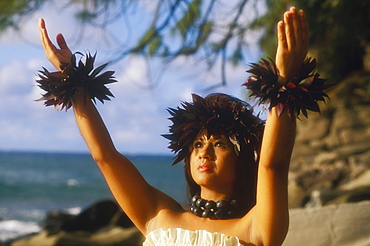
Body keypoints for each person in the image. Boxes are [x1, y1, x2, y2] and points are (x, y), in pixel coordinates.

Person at [39, 6, 310, 246]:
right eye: (197, 144)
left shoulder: (256, 228)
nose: (204, 153)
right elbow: (105, 156)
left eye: (219, 144)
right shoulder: (157, 215)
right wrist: (71, 81)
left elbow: (273, 165)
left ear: (242, 158)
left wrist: (284, 82)